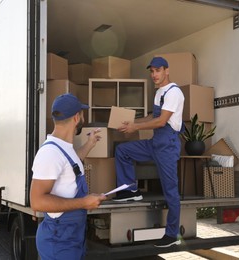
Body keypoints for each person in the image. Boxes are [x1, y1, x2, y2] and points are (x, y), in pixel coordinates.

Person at [113, 57, 185, 247]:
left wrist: (135, 127)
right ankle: (129, 190)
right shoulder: (159, 92)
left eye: (158, 70)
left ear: (166, 71)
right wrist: (133, 121)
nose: (154, 75)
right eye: (152, 71)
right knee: (122, 150)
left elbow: (162, 121)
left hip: (167, 146)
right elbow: (153, 116)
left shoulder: (174, 92)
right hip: (155, 143)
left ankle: (172, 234)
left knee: (171, 192)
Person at [30, 93, 107, 260]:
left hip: (70, 237)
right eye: (82, 114)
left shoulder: (64, 148)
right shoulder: (50, 153)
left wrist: (90, 144)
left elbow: (70, 165)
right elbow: (37, 201)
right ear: (77, 118)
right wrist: (84, 202)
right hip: (59, 241)